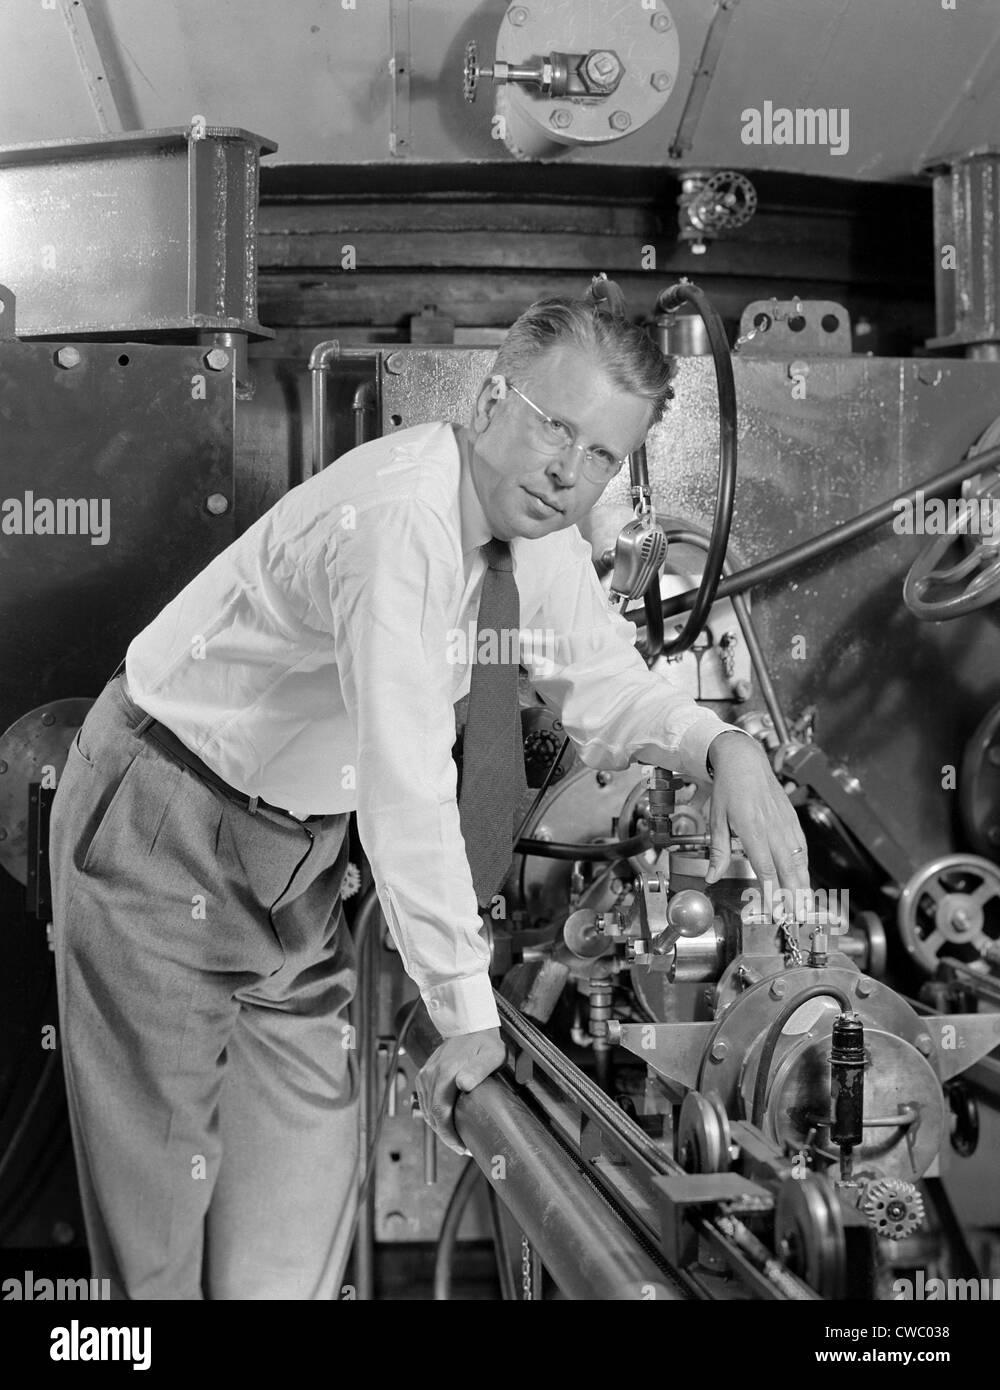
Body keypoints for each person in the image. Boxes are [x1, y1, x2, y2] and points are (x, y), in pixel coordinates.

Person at [48, 292, 810, 1300]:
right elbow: (404, 783)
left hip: (299, 855)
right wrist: (461, 1012)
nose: (566, 473)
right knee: (155, 1239)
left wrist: (724, 750)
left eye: (598, 458)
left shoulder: (531, 537)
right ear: (494, 397)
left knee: (295, 1215)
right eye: (556, 430)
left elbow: (603, 681)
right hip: (169, 819)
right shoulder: (402, 517)